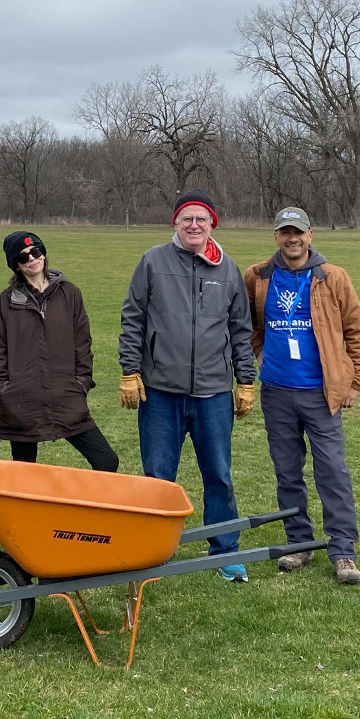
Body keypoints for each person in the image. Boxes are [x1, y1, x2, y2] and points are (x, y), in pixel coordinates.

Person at [118, 189, 256, 582]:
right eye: (187, 219)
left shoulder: (227, 269)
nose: (194, 226)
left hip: (213, 392)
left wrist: (245, 381)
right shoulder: (153, 262)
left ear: (212, 224)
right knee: (158, 476)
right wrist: (130, 370)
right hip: (160, 392)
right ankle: (152, 552)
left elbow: (240, 330)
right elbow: (133, 319)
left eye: (201, 220)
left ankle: (225, 552)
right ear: (175, 224)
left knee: (219, 474)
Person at [242, 207, 360, 585]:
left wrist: (354, 382)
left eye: (298, 232)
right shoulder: (258, 276)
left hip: (321, 392)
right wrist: (261, 353)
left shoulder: (333, 277)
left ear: (310, 235)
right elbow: (248, 323)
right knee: (287, 470)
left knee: (332, 469)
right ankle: (298, 542)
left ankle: (343, 549)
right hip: (277, 392)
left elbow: (357, 331)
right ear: (275, 236)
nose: (292, 238)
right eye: (285, 232)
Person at [0, 231, 119, 471]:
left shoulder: (70, 293)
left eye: (35, 252)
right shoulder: (6, 302)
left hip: (66, 397)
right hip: (21, 402)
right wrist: (2, 390)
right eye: (23, 257)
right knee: (25, 476)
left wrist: (81, 382)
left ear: (44, 253)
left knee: (106, 461)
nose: (31, 259)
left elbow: (83, 342)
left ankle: (82, 510)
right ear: (15, 266)